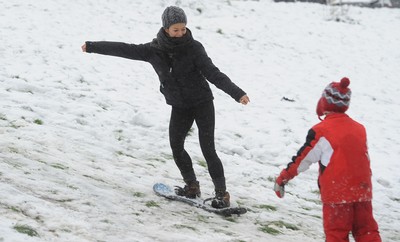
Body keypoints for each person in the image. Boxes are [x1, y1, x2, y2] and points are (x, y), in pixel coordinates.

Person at [81, 6, 249, 208]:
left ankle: (222, 194)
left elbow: (213, 73)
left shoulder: (194, 48)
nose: (180, 33)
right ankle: (192, 186)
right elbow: (124, 49)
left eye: (183, 29)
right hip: (179, 106)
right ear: (166, 28)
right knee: (176, 147)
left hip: (202, 103)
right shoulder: (154, 51)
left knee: (208, 149)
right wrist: (92, 46)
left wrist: (237, 93)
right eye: (176, 29)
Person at [274, 77, 381, 242]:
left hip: (337, 194)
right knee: (367, 232)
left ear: (325, 102)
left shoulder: (322, 131)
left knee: (337, 235)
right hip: (362, 190)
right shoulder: (359, 129)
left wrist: (283, 178)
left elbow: (302, 159)